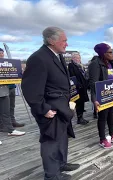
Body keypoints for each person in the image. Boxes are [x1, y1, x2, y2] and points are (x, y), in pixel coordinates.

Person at [21, 27, 79, 180]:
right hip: (50, 109)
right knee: (51, 142)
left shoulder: (56, 56)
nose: (67, 44)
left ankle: (61, 164)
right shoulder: (38, 58)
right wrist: (43, 109)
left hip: (61, 107)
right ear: (51, 40)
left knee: (62, 137)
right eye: (64, 40)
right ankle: (52, 175)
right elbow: (30, 88)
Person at [88, 43, 113, 149]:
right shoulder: (95, 64)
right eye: (110, 52)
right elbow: (93, 83)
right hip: (102, 96)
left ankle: (112, 135)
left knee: (111, 116)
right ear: (103, 53)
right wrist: (94, 99)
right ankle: (102, 139)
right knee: (102, 117)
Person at [0, 48, 25, 137]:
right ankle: (5, 126)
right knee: (4, 109)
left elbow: (15, 72)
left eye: (2, 53)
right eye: (0, 53)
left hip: (11, 87)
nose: (2, 54)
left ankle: (12, 122)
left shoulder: (8, 63)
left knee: (11, 106)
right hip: (2, 89)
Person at [68, 53, 89, 125]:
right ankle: (78, 118)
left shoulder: (81, 66)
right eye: (76, 58)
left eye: (79, 58)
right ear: (73, 58)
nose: (78, 59)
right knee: (77, 103)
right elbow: (72, 76)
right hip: (77, 89)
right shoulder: (71, 66)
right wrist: (78, 84)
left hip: (83, 88)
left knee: (81, 103)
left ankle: (81, 117)